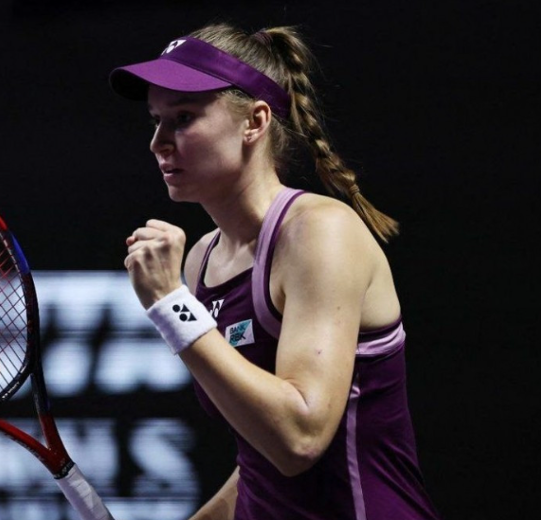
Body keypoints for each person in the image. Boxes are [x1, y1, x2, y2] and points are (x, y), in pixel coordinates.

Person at [110, 21, 442, 520]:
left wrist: (170, 304)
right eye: (156, 120)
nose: (159, 142)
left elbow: (298, 438)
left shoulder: (320, 233)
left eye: (183, 118)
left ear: (255, 121)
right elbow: (260, 457)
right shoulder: (203, 259)